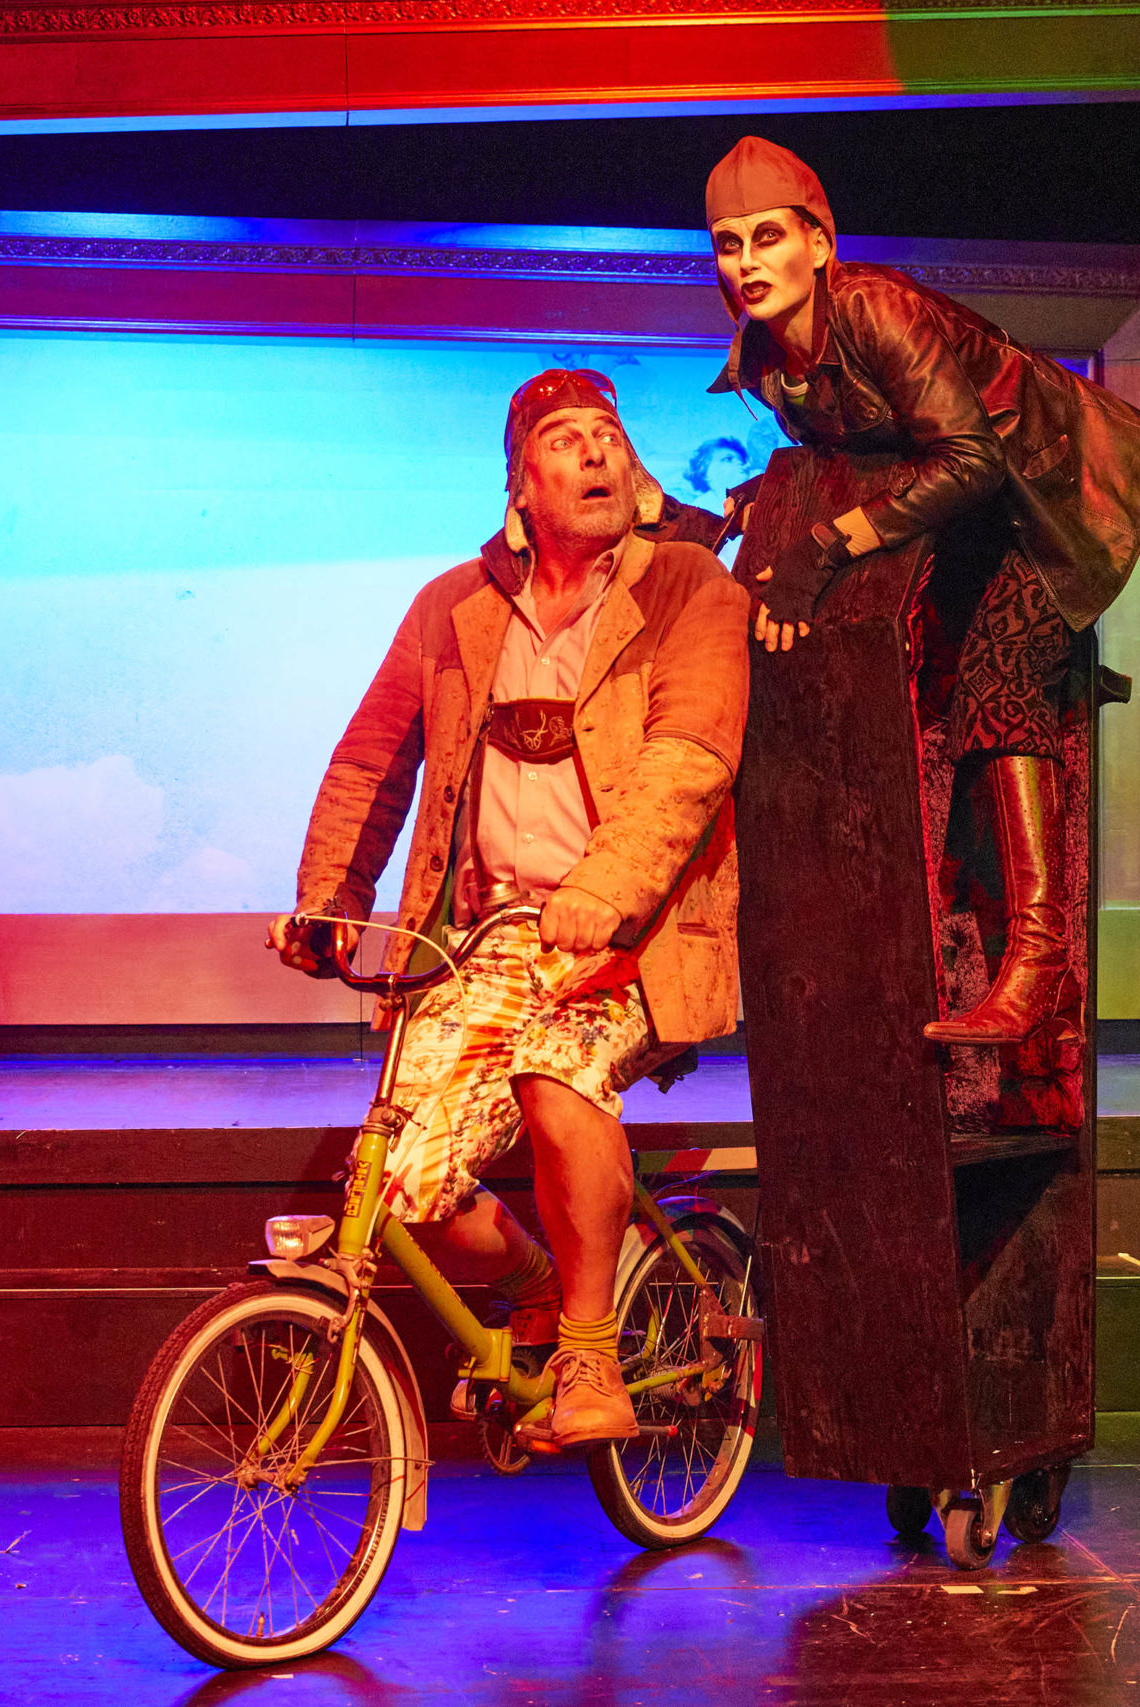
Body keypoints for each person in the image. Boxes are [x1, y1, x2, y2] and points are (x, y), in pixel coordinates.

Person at [271, 370, 750, 1448]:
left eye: (609, 435)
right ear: (518, 484)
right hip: (478, 939)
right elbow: (372, 760)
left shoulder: (689, 587)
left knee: (555, 1070)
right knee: (399, 1192)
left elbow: (689, 759)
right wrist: (328, 900)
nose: (596, 452)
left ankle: (591, 1356)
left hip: (633, 935)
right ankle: (535, 1286)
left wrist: (602, 890)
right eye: (565, 439)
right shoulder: (455, 603)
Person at [702, 136, 1140, 1045]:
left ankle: (1040, 961)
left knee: (1000, 679)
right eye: (729, 244)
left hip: (1055, 492)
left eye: (769, 237)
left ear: (819, 244)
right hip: (966, 517)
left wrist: (828, 541)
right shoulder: (767, 360)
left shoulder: (873, 308)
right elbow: (861, 458)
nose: (748, 262)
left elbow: (972, 458)